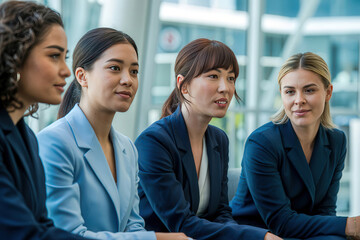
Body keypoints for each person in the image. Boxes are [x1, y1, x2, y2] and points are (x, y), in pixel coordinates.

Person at [37, 27, 188, 240]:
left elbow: (134, 226)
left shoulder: (127, 148)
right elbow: (67, 235)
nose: (128, 80)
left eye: (134, 71)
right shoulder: (54, 142)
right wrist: (158, 239)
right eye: (115, 68)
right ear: (82, 76)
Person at [135, 38, 282, 240]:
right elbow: (180, 223)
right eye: (213, 76)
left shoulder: (219, 139)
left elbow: (221, 212)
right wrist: (256, 237)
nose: (225, 88)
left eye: (231, 78)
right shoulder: (154, 142)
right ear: (183, 85)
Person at [230, 52, 360, 240]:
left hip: (301, 232)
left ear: (328, 92)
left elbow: (325, 210)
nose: (299, 100)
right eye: (290, 91)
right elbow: (280, 222)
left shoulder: (336, 140)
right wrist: (350, 225)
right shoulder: (261, 143)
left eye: (309, 90)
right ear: (281, 95)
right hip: (260, 233)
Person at [0, 1, 91, 239]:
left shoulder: (27, 136)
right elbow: (22, 233)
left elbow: (42, 224)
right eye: (54, 56)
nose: (66, 71)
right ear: (15, 56)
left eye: (65, 57)